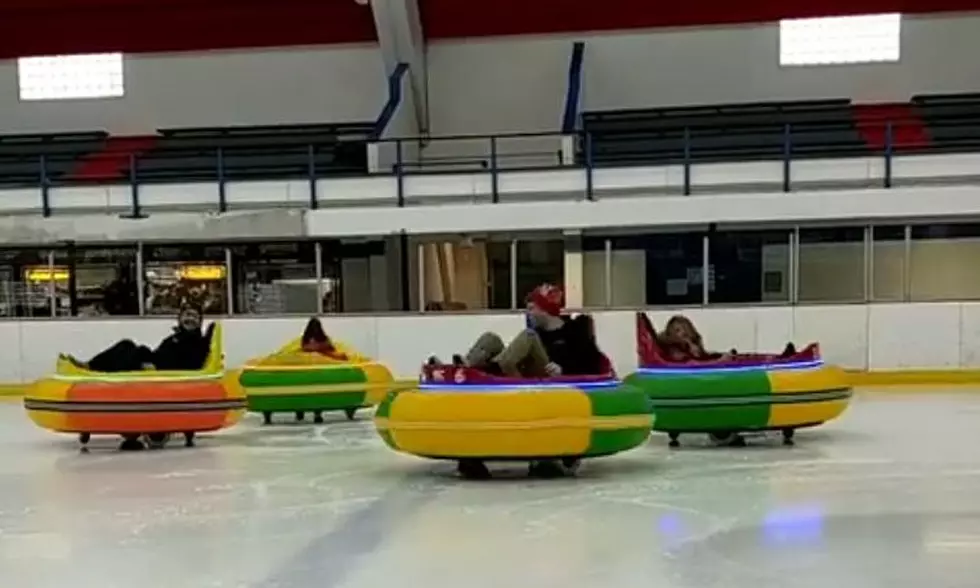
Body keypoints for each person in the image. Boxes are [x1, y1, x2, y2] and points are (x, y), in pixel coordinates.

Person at [444, 283, 605, 379]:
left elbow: (592, 361)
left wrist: (564, 369)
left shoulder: (576, 329)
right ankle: (466, 366)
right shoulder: (540, 333)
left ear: (544, 309)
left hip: (552, 380)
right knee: (491, 338)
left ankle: (490, 370)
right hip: (526, 374)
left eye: (531, 308)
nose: (528, 314)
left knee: (529, 335)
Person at [64, 303, 211, 373]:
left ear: (200, 321)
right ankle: (90, 366)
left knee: (133, 353)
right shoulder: (176, 337)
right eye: (186, 315)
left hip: (162, 371)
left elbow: (190, 364)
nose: (190, 319)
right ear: (179, 319)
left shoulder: (196, 341)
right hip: (154, 361)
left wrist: (155, 367)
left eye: (194, 316)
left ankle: (98, 371)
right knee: (126, 344)